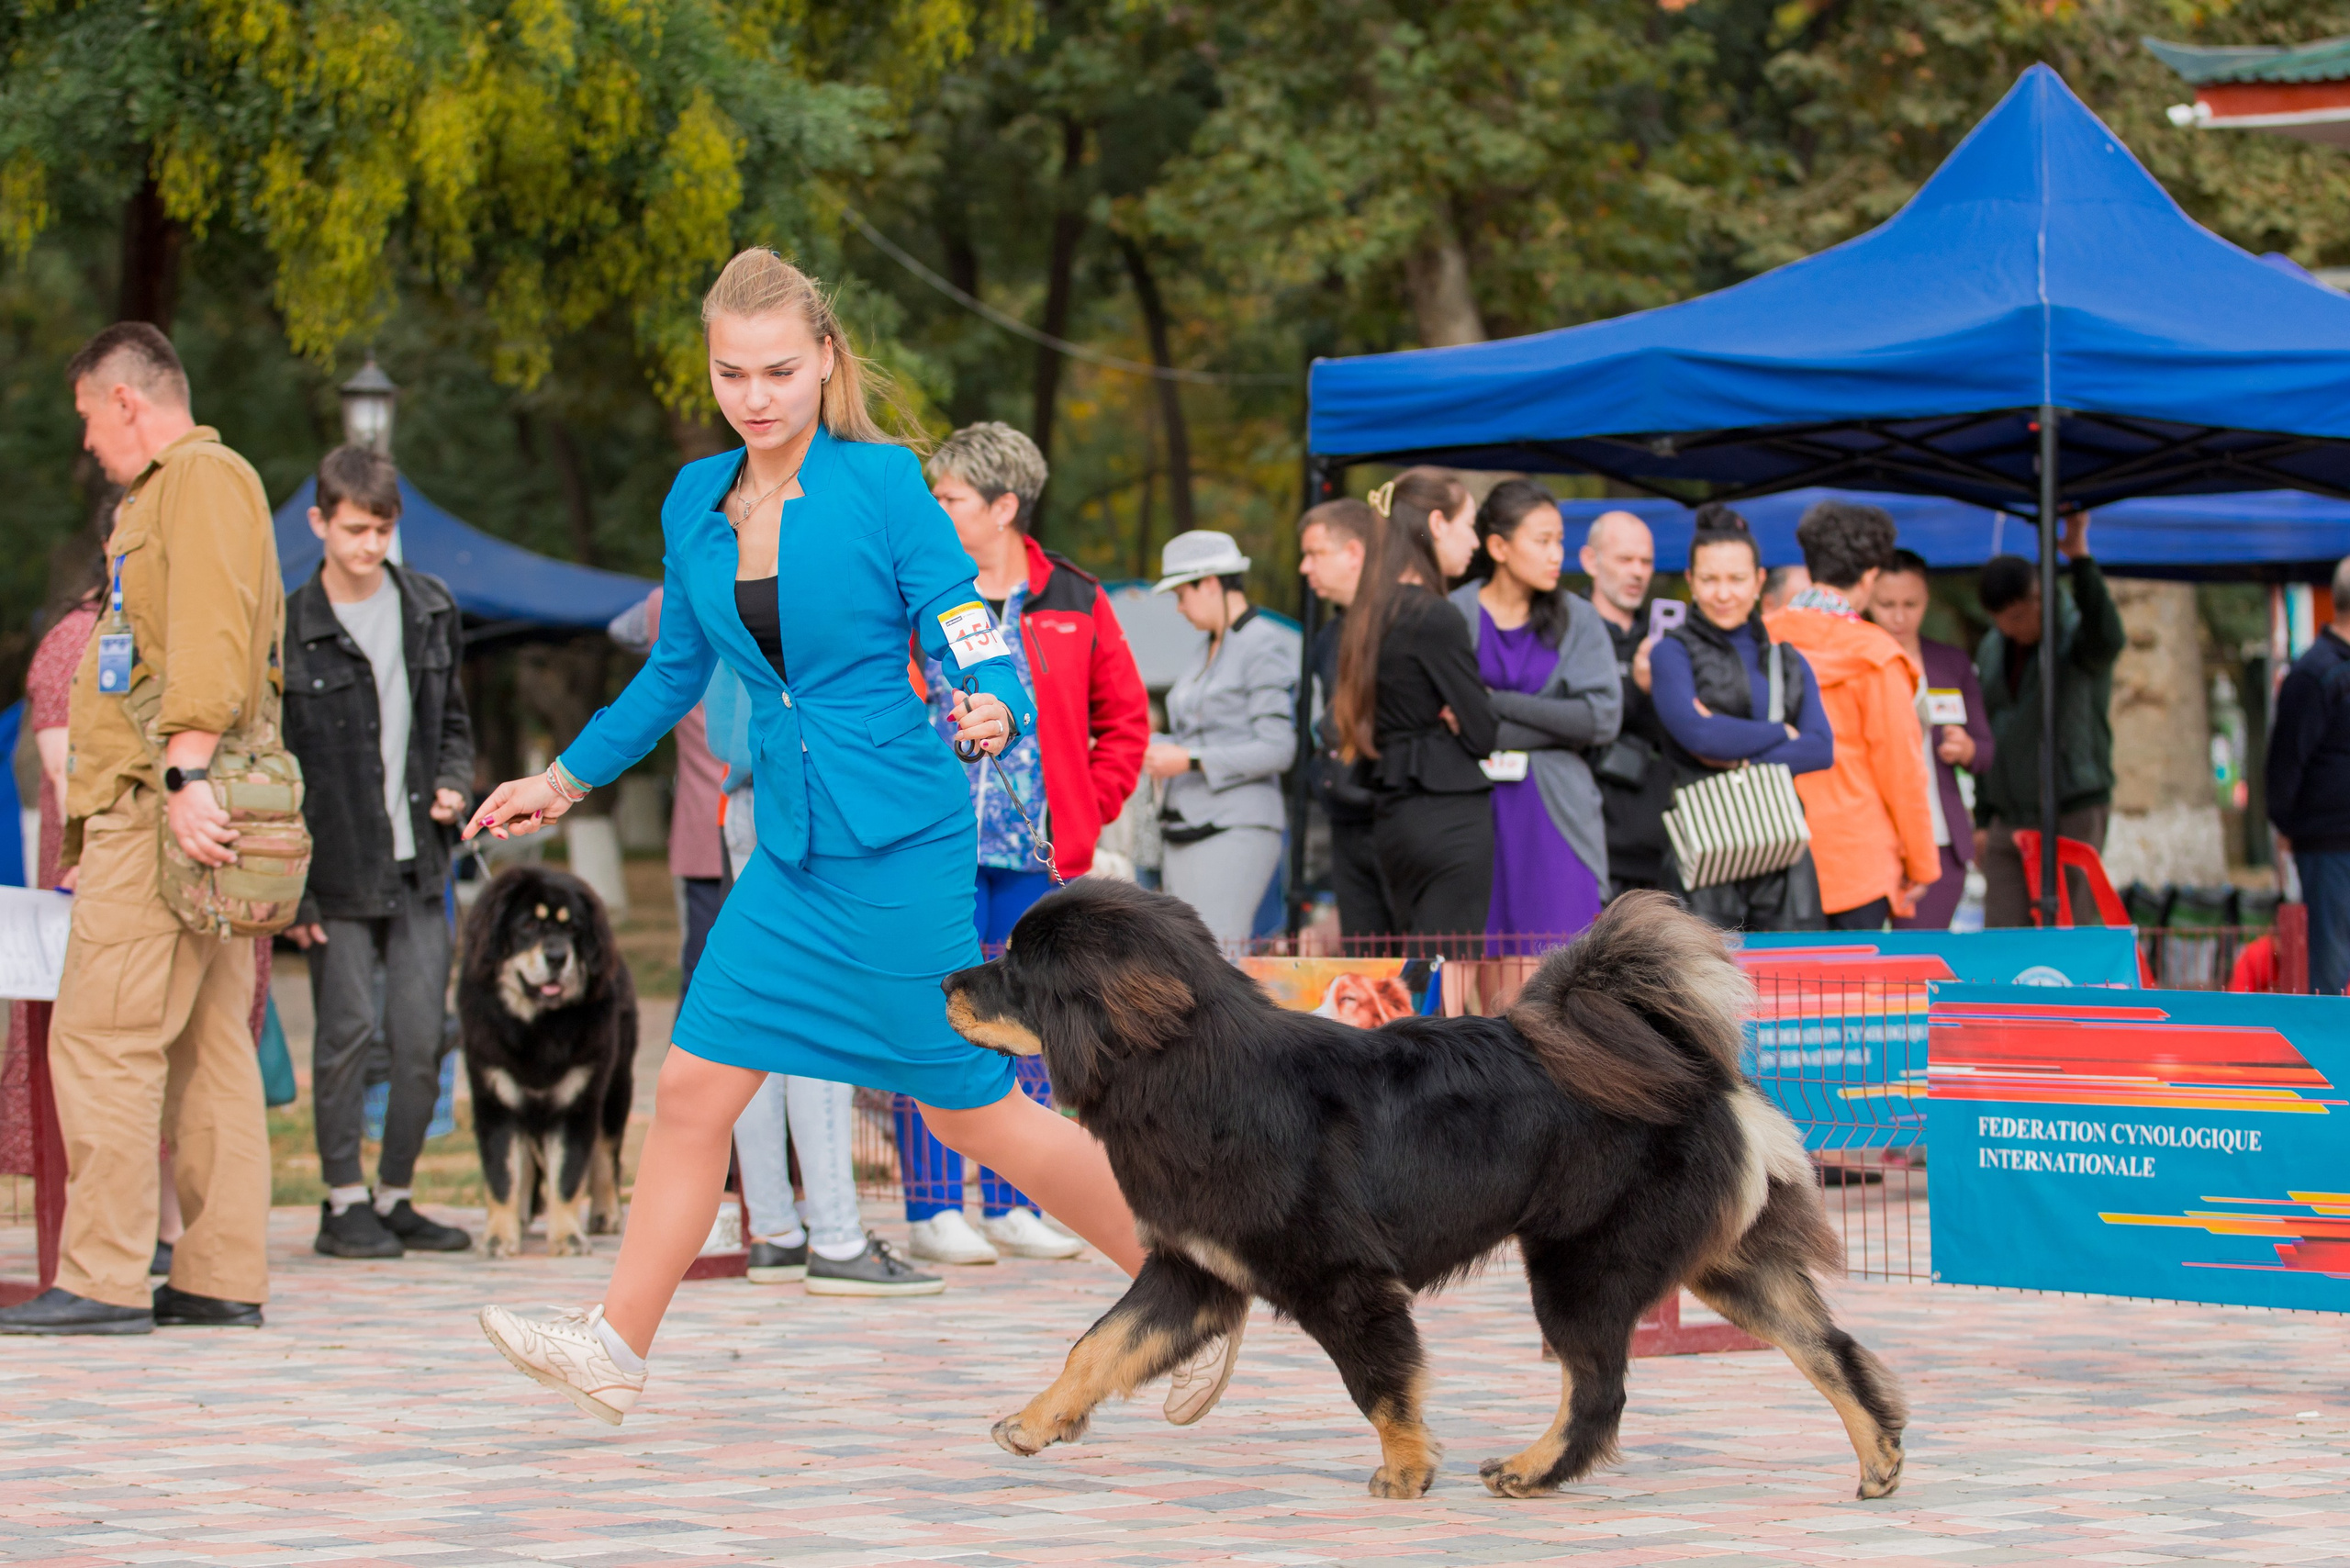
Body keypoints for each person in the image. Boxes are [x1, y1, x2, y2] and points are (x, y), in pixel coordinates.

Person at [469, 249, 1237, 1429]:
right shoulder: (693, 500)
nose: (757, 395)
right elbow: (678, 668)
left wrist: (997, 699)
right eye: (733, 373)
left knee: (972, 1108)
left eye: (780, 369)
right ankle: (616, 1346)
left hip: (899, 840)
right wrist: (559, 781)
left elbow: (966, 621)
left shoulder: (883, 486)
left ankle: (1189, 1284)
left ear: (825, 359)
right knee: (687, 1090)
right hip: (789, 852)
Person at [0, 324, 281, 1336]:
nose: (86, 442)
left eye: (86, 417)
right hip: (184, 801)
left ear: (125, 400)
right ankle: (217, 1274)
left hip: (160, 806)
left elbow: (206, 643)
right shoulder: (190, 488)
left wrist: (184, 773)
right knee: (211, 1045)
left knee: (103, 1035)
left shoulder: (194, 483)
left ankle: (105, 1276)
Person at [901, 420, 1147, 1265]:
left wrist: (1087, 808)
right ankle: (933, 1205)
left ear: (1003, 507)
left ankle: (1016, 1202)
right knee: (935, 1008)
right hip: (933, 845)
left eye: (950, 498)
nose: (934, 509)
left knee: (1040, 1015)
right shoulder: (919, 594)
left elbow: (1126, 722)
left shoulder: (1076, 597)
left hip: (1038, 851)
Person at [280, 444, 475, 1260]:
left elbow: (456, 726)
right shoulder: (290, 624)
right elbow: (274, 762)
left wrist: (454, 785)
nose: (369, 545)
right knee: (348, 1034)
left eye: (383, 530)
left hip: (421, 860)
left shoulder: (429, 607)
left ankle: (395, 1195)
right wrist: (293, 893)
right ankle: (342, 1199)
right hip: (335, 868)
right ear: (321, 523)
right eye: (355, 529)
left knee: (423, 1033)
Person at [705, 662, 942, 1294]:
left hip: (747, 794)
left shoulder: (711, 565)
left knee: (762, 1021)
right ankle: (837, 1237)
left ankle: (776, 1233)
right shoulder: (802, 567)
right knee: (824, 1016)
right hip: (815, 791)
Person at [1446, 481, 1620, 948]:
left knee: (1564, 962)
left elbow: (1601, 719)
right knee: (1478, 970)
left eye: (1560, 540)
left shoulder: (1578, 618)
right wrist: (1557, 724)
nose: (1555, 554)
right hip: (1473, 810)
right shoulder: (1453, 614)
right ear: (1499, 546)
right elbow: (1445, 724)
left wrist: (1494, 704)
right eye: (1542, 540)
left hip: (1557, 817)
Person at [1650, 506, 1833, 933]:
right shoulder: (1671, 652)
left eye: (1736, 579)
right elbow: (1698, 733)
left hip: (1783, 849)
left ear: (1758, 581)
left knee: (1799, 986)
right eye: (1710, 579)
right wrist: (1779, 733)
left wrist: (1739, 754)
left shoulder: (1787, 658)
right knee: (1706, 989)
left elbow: (1821, 747)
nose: (1723, 593)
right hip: (1703, 850)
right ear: (1691, 581)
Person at [1331, 474, 1495, 948]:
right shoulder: (1435, 616)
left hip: (1393, 816)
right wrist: (1460, 714)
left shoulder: (1367, 615)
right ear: (1437, 523)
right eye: (1469, 524)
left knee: (1419, 969)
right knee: (1447, 976)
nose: (1475, 541)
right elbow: (1484, 731)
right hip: (1449, 815)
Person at [1764, 500, 1939, 932]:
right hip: (1859, 861)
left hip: (1770, 848)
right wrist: (1922, 862)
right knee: (1852, 996)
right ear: (1870, 575)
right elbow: (1901, 768)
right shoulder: (1878, 656)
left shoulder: (1761, 638)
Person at [1974, 513, 2124, 928]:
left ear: (2041, 597)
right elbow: (1987, 731)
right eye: (2002, 620)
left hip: (2071, 805)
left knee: (2068, 925)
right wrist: (1983, 818)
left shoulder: (2077, 637)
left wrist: (2080, 561)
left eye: (2022, 616)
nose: (2014, 628)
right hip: (2008, 814)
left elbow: (2108, 636)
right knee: (2002, 930)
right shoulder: (1991, 648)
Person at [1147, 531, 1298, 943]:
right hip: (1187, 825)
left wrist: (1190, 759)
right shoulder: (1207, 646)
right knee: (1187, 959)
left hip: (1237, 826)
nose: (1179, 608)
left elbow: (1278, 748)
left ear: (1210, 583)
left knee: (1216, 957)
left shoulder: (1262, 644)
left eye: (1181, 594)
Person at [608, 589, 728, 999]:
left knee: (701, 970)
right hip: (751, 819)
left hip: (701, 823)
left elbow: (620, 629)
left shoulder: (667, 600)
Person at [1867, 549, 1995, 930]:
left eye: (1911, 604)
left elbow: (1986, 749)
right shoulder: (1854, 660)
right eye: (1887, 604)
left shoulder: (1950, 663)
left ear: (1927, 601)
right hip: (1873, 835)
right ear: (1865, 598)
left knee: (1918, 956)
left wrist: (1967, 749)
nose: (1899, 616)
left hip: (1940, 834)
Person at [1298, 498, 1392, 941]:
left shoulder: (1401, 622)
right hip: (1344, 817)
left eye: (1315, 553)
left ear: (1354, 553)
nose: (1304, 567)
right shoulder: (1327, 637)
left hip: (1393, 814)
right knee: (1364, 953)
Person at [2264, 554, 2350, 994]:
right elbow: (2284, 766)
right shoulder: (2317, 673)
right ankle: (2335, 1063)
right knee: (2331, 974)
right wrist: (2290, 824)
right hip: (2330, 844)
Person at [1580, 510, 1676, 898]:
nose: (1638, 572)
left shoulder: (1665, 640)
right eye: (1625, 559)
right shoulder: (1569, 633)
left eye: (1647, 561)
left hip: (1659, 844)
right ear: (1590, 561)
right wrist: (1635, 689)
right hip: (1594, 839)